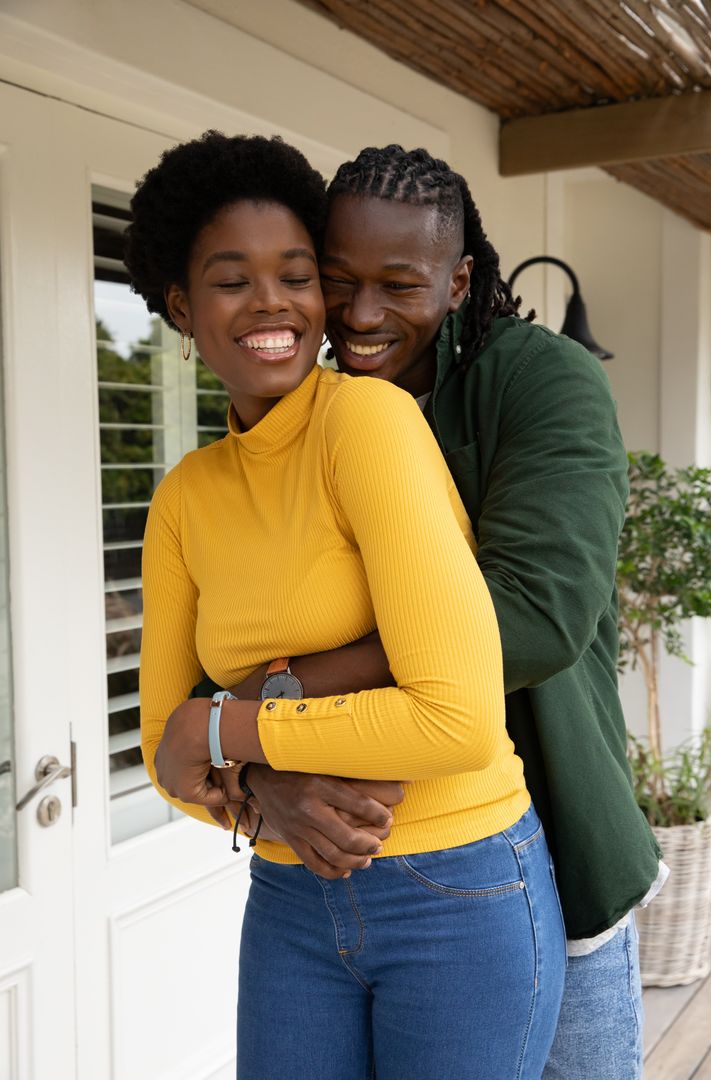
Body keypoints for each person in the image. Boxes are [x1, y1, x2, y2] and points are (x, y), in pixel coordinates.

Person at [212, 145, 665, 1080]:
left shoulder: (541, 383)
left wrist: (276, 703)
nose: (362, 316)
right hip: (343, 881)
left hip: (546, 857)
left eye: (399, 285)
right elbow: (231, 631)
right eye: (337, 283)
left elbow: (537, 614)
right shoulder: (295, 414)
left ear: (459, 281)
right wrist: (265, 781)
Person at [128, 131, 567, 1080]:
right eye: (231, 279)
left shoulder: (367, 423)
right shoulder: (184, 497)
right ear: (180, 305)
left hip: (455, 883)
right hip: (287, 893)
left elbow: (455, 720)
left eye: (295, 275)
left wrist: (229, 727)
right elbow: (164, 749)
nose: (273, 303)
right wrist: (255, 787)